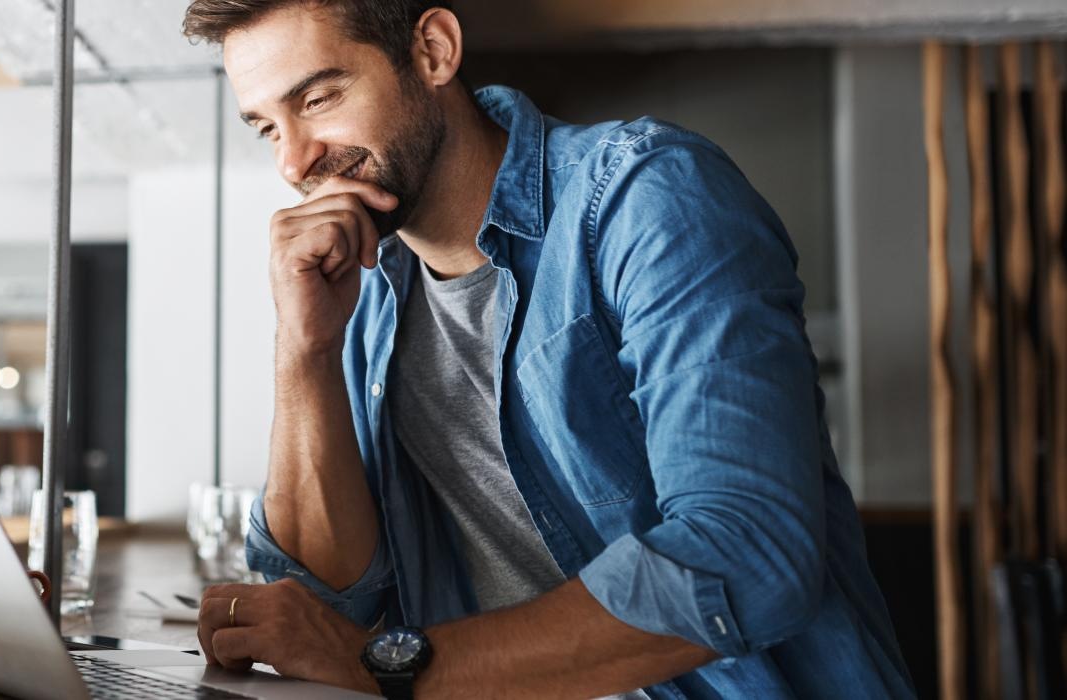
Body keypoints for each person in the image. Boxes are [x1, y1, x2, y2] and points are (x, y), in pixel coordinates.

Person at [180, 1, 916, 698]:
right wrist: (303, 348)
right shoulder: (366, 289)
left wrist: (392, 673)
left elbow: (748, 554)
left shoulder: (647, 198)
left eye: (317, 100)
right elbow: (321, 602)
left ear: (432, 51)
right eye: (267, 127)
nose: (294, 163)